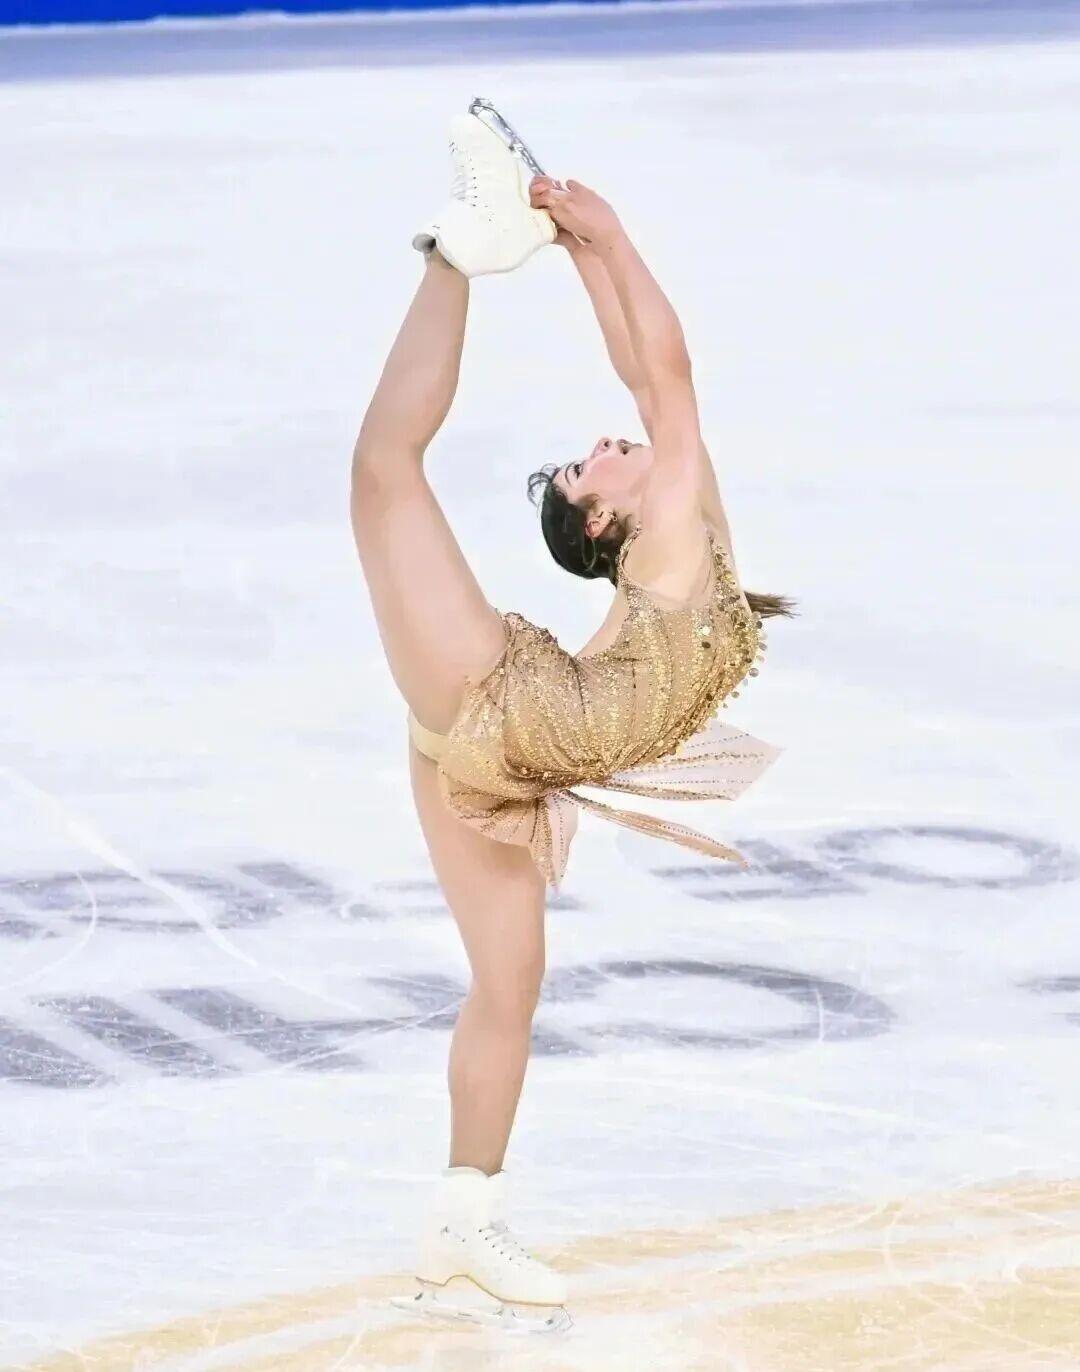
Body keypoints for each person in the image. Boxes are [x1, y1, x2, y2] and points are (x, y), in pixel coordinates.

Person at [351, 109, 796, 1331]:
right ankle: (455, 250)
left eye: (588, 457)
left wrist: (588, 248)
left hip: (503, 757)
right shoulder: (673, 535)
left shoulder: (682, 535)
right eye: (585, 464)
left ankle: (462, 1217)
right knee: (384, 468)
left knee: (507, 986)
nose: (603, 444)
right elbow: (665, 373)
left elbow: (647, 376)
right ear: (606, 523)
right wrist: (604, 239)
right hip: (516, 714)